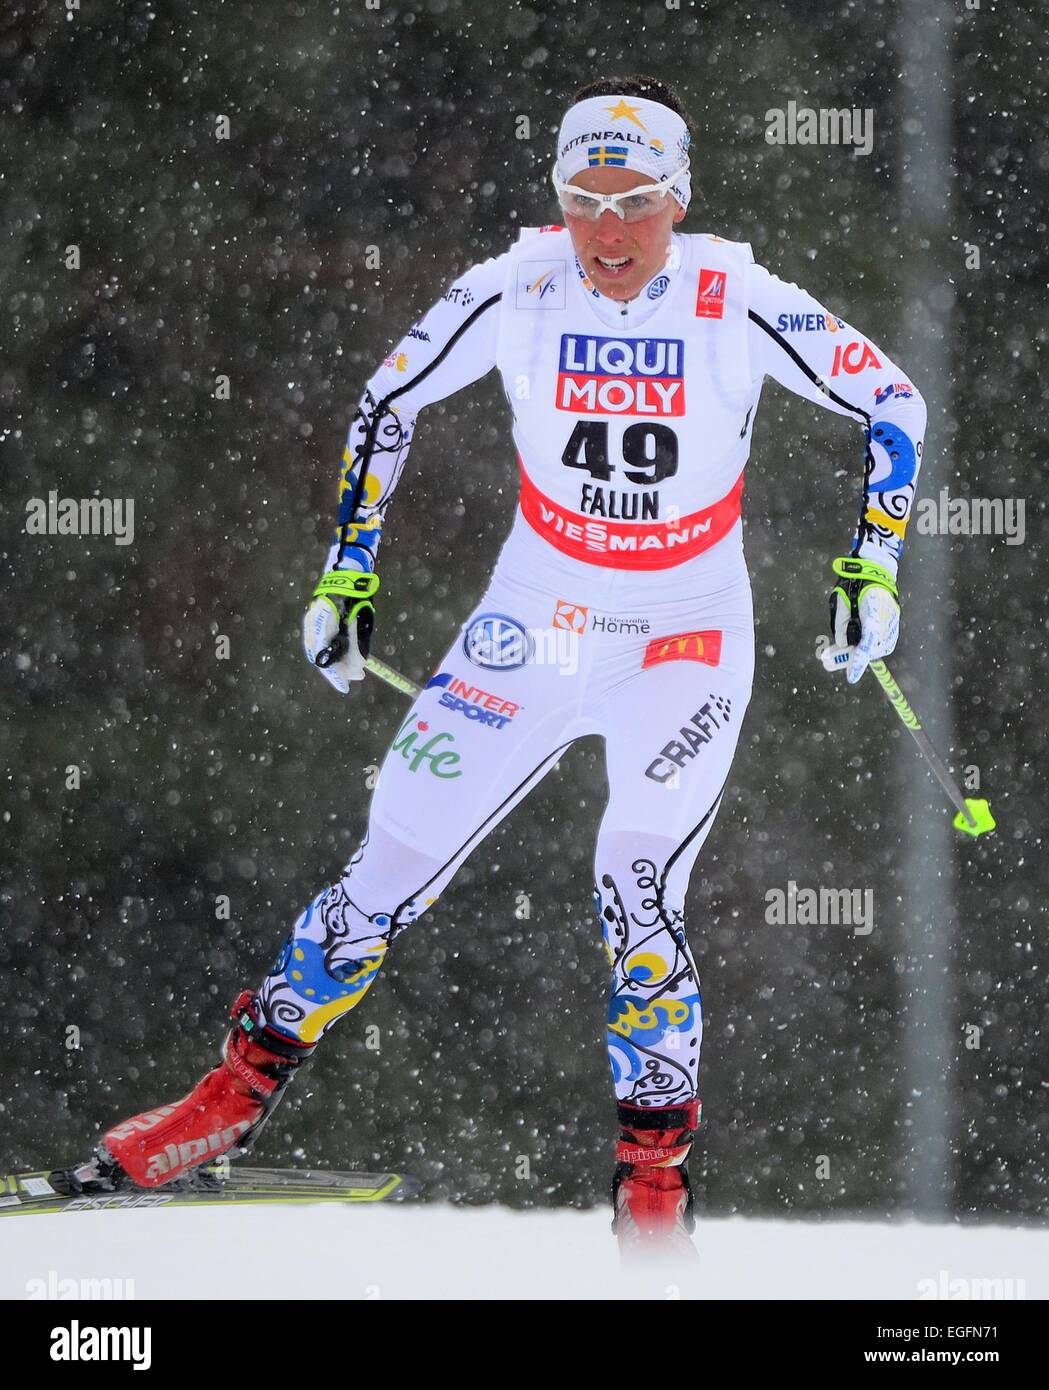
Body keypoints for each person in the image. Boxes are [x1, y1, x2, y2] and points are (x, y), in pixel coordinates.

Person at [94, 75, 926, 1254]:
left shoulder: (731, 294)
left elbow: (892, 399)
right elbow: (386, 401)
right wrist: (348, 572)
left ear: (677, 200)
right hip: (535, 621)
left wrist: (872, 568)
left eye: (634, 200)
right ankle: (221, 1108)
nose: (607, 230)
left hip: (682, 639)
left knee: (632, 888)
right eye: (581, 198)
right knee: (389, 851)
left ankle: (652, 1198)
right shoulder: (514, 286)